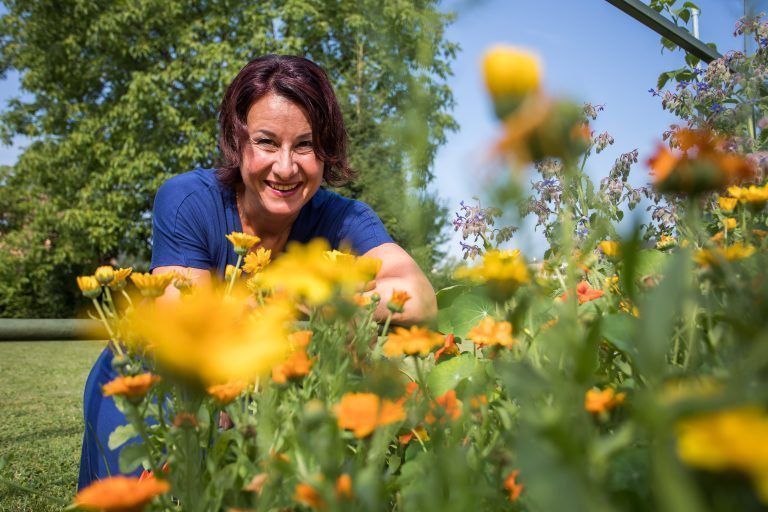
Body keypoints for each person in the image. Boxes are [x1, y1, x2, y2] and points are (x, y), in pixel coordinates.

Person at [78, 54, 437, 488]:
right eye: (267, 142)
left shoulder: (344, 219)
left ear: (325, 152)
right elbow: (184, 323)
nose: (285, 167)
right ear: (237, 141)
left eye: (304, 145)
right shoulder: (187, 200)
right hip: (147, 389)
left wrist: (310, 295)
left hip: (262, 398)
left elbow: (419, 297)